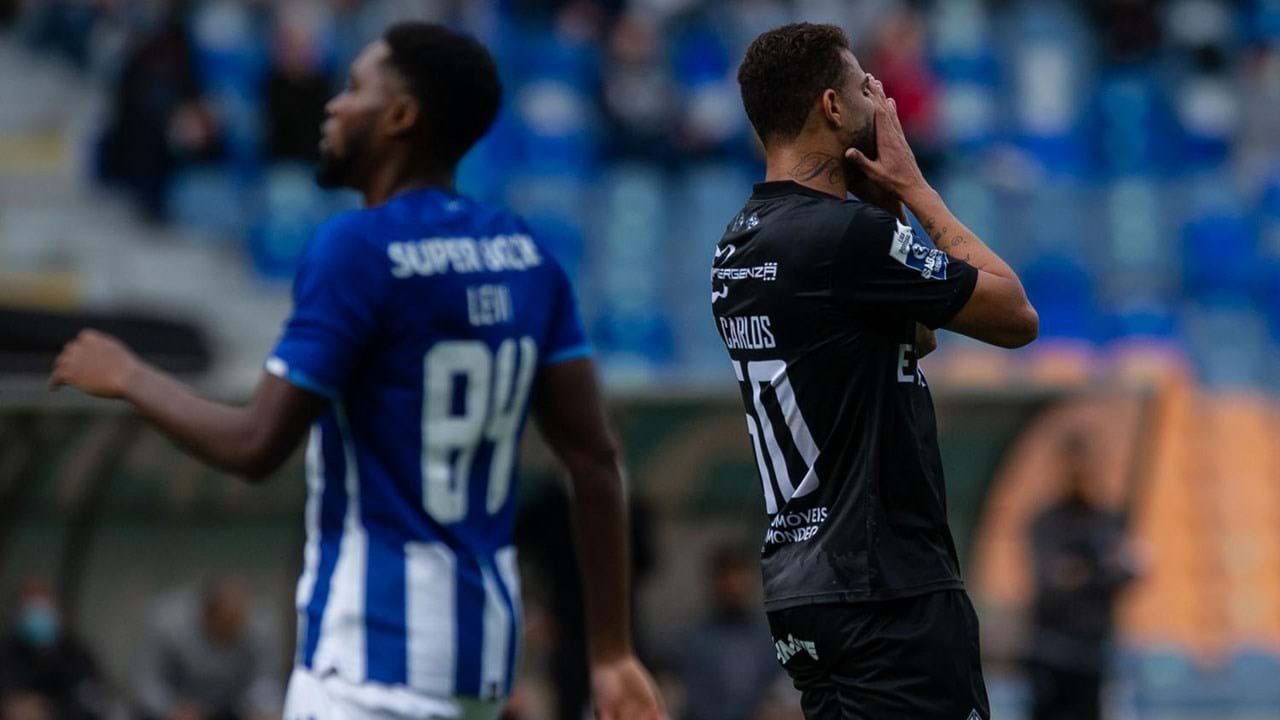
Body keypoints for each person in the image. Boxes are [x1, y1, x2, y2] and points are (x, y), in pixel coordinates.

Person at [49, 21, 663, 720]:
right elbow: (595, 456)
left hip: (370, 659)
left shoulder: (357, 250)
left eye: (355, 89)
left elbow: (256, 445)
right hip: (481, 659)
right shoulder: (526, 256)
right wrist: (612, 652)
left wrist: (129, 375)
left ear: (400, 116)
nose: (335, 106)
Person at [712, 22, 1039, 720]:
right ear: (832, 108)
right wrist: (917, 189)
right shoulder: (845, 239)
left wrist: (883, 212)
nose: (880, 98)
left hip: (803, 595)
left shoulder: (737, 246)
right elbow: (1014, 315)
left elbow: (913, 336)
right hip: (886, 588)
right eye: (865, 85)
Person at [1025, 434, 1140, 720]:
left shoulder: (1108, 521)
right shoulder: (1046, 522)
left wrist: (1085, 572)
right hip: (1051, 654)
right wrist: (1099, 570)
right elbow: (1053, 579)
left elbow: (1125, 573)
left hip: (1093, 657)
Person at [133, 578, 282, 720]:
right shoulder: (167, 625)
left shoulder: (259, 627)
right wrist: (171, 709)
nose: (231, 634)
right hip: (177, 707)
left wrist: (261, 708)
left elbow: (266, 679)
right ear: (206, 615)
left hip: (236, 709)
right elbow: (147, 682)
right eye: (225, 626)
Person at [673, 546, 780, 720]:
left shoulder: (769, 640)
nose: (733, 583)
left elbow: (777, 696)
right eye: (726, 575)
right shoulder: (694, 641)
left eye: (738, 574)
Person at [0, 580, 106, 720]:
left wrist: (49, 711)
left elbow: (90, 702)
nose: (39, 618)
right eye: (32, 610)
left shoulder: (78, 655)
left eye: (44, 609)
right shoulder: (7, 652)